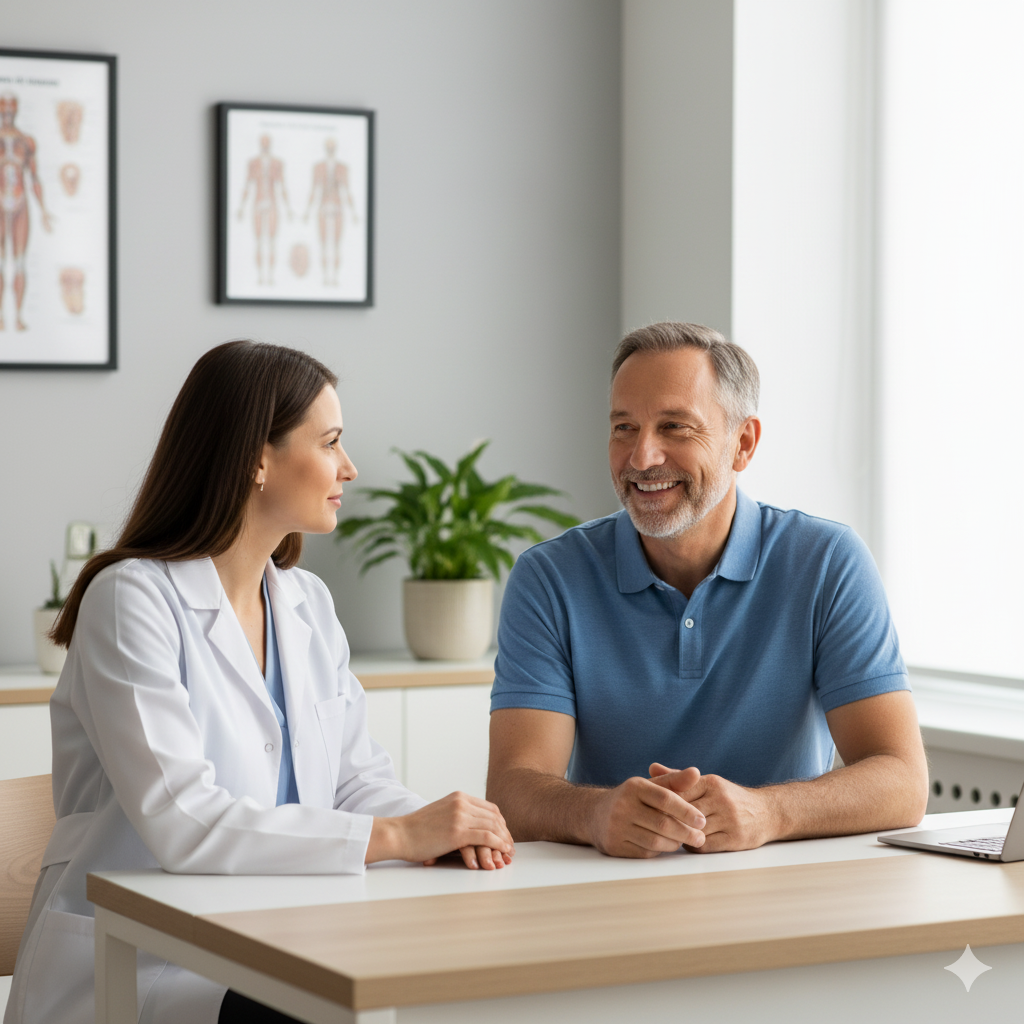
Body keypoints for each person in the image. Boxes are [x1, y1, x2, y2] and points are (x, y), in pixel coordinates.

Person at [5, 341, 513, 1024]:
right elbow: (185, 823)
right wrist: (397, 837)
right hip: (144, 970)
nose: (350, 467)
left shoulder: (306, 603)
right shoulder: (130, 600)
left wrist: (442, 831)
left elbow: (355, 782)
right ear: (256, 457)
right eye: (330, 442)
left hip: (281, 942)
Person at [487, 321, 928, 859]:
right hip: (606, 888)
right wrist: (594, 814)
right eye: (624, 427)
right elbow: (512, 790)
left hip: (784, 891)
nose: (642, 457)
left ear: (742, 444)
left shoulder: (827, 562)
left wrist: (767, 812)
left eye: (675, 427)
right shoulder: (550, 578)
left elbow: (903, 781)